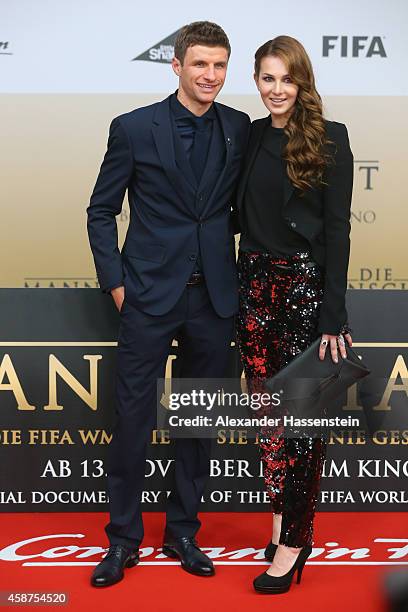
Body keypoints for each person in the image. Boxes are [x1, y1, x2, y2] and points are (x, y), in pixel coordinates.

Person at [86, 21, 250, 587]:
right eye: (201, 64)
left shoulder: (240, 127)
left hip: (214, 299)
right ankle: (123, 539)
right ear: (176, 65)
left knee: (198, 423)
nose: (212, 75)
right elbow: (101, 210)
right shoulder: (132, 128)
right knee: (132, 418)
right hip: (148, 296)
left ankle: (183, 530)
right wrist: (116, 283)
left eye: (221, 65)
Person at [235, 35, 353, 594]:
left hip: (305, 294)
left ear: (302, 82)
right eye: (267, 78)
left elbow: (336, 231)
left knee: (303, 425)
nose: (276, 89)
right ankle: (281, 519)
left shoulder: (331, 139)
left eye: (286, 78)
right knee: (268, 422)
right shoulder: (252, 134)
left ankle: (294, 543)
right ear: (256, 81)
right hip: (253, 291)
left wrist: (333, 314)